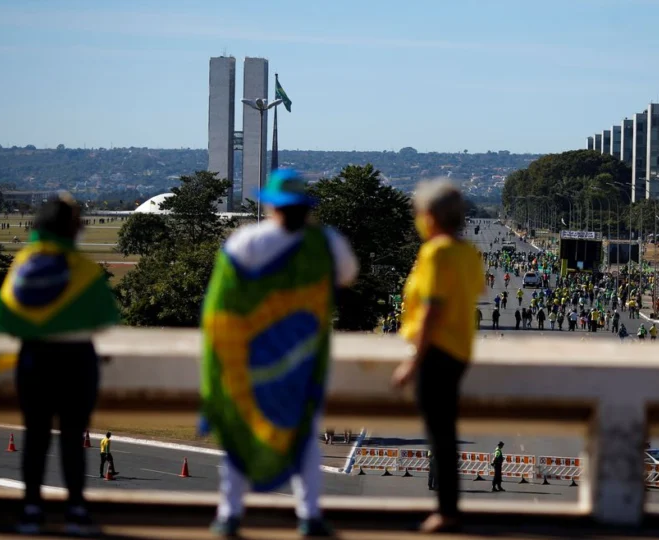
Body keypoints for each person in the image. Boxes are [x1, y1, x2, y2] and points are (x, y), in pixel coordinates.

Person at [200, 169, 358, 538]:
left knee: (241, 434)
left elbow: (218, 307)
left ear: (271, 206)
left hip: (250, 359)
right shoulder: (326, 243)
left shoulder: (245, 242)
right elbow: (348, 274)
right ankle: (309, 514)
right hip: (302, 361)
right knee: (304, 438)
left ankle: (229, 514)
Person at [0, 193, 119, 536]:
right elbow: (107, 317)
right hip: (76, 361)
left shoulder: (23, 263)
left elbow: (2, 321)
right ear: (73, 228)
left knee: (35, 439)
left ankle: (31, 510)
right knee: (72, 439)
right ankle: (76, 509)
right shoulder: (83, 268)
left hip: (33, 360)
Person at [393, 180, 483, 534]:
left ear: (430, 217)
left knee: (440, 435)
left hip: (436, 353)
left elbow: (432, 309)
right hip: (460, 349)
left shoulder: (435, 253)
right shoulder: (468, 252)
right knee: (443, 433)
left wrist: (412, 361)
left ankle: (447, 511)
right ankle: (448, 508)